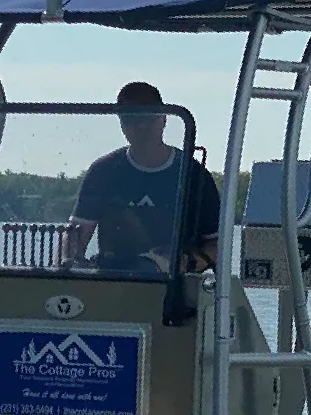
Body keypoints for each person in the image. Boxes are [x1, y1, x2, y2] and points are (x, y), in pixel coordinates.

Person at [66, 82, 220, 274]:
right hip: (112, 284)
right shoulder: (103, 171)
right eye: (130, 119)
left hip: (175, 291)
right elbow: (75, 239)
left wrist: (180, 264)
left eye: (147, 117)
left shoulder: (195, 175)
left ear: (163, 119)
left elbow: (216, 245)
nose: (140, 126)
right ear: (121, 125)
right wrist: (69, 266)